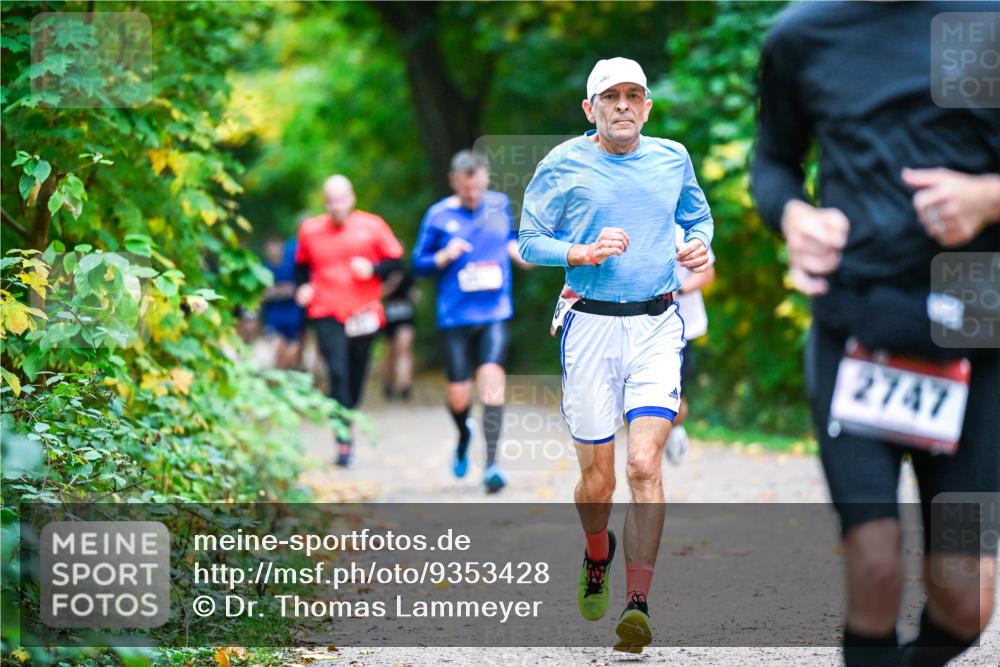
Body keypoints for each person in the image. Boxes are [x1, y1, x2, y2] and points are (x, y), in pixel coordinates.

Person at [751, 4, 1000, 666]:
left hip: (980, 330)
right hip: (856, 326)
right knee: (875, 561)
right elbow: (773, 160)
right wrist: (794, 215)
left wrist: (987, 197)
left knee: (968, 597)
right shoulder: (803, 34)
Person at [519, 57, 713, 653]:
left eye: (634, 96)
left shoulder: (672, 157)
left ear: (648, 106)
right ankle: (595, 553)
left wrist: (700, 246)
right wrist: (580, 251)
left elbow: (697, 216)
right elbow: (529, 241)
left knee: (643, 467)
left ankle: (638, 603)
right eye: (611, 97)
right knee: (598, 483)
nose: (623, 105)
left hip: (658, 322)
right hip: (590, 327)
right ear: (590, 109)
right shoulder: (562, 164)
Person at [412, 150, 530, 494]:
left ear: (486, 180)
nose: (473, 196)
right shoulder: (437, 215)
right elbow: (418, 264)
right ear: (454, 182)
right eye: (467, 191)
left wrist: (523, 256)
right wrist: (443, 256)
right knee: (459, 395)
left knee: (492, 380)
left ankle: (492, 464)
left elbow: (510, 241)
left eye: (478, 188)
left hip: (493, 312)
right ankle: (464, 436)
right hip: (455, 316)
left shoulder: (499, 205)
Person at [295, 175, 404, 467]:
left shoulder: (373, 225)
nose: (336, 206)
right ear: (325, 202)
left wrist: (373, 268)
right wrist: (303, 287)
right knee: (338, 372)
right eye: (331, 201)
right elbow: (301, 267)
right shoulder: (310, 230)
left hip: (364, 313)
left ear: (352, 199)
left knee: (356, 375)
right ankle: (344, 441)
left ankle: (347, 412)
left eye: (341, 199)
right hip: (325, 310)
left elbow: (396, 262)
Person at [664, 224, 716, 464]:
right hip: (640, 324)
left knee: (676, 391)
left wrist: (679, 290)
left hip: (683, 325)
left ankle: (675, 428)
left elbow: (706, 273)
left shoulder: (683, 230)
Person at [261, 235, 305, 370]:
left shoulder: (293, 266)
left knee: (293, 358)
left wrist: (277, 291)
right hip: (274, 320)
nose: (274, 251)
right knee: (279, 354)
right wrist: (279, 291)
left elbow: (298, 288)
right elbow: (261, 295)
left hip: (295, 319)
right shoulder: (263, 269)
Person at [381, 265, 417, 401]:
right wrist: (391, 284)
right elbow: (379, 293)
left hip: (405, 317)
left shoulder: (408, 272)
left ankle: (405, 384)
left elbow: (415, 295)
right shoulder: (383, 270)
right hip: (389, 318)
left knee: (404, 349)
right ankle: (389, 384)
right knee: (391, 353)